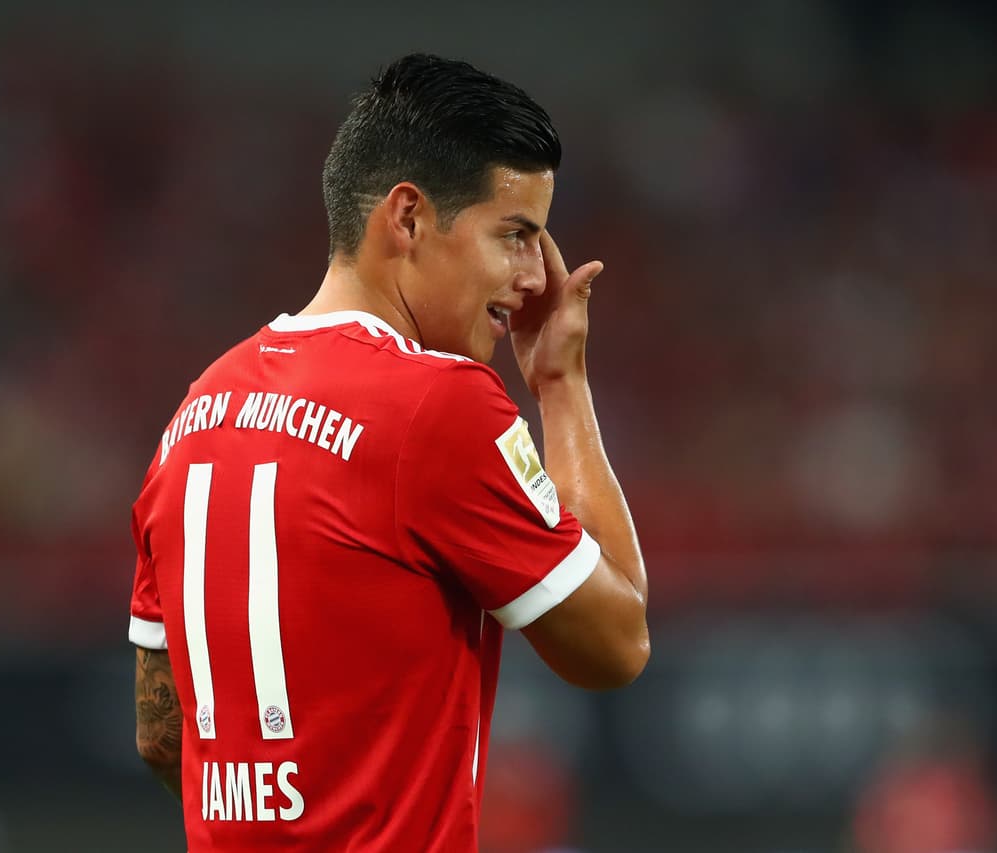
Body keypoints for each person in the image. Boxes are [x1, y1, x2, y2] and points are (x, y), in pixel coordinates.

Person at [127, 53, 649, 851]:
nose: (531, 279)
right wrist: (560, 386)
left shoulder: (196, 410)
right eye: (513, 235)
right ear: (406, 218)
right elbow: (616, 642)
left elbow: (164, 735)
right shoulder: (436, 402)